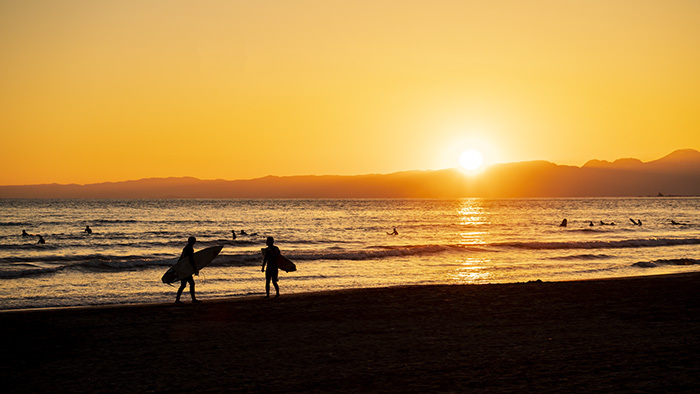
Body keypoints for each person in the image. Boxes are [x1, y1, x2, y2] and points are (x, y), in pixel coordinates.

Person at [176, 236, 201, 304]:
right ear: (192, 241)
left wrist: (178, 266)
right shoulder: (190, 248)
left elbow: (181, 258)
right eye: (194, 241)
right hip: (186, 269)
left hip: (184, 268)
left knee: (183, 285)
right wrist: (195, 268)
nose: (195, 242)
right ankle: (193, 299)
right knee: (191, 283)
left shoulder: (186, 248)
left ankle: (177, 300)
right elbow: (191, 260)